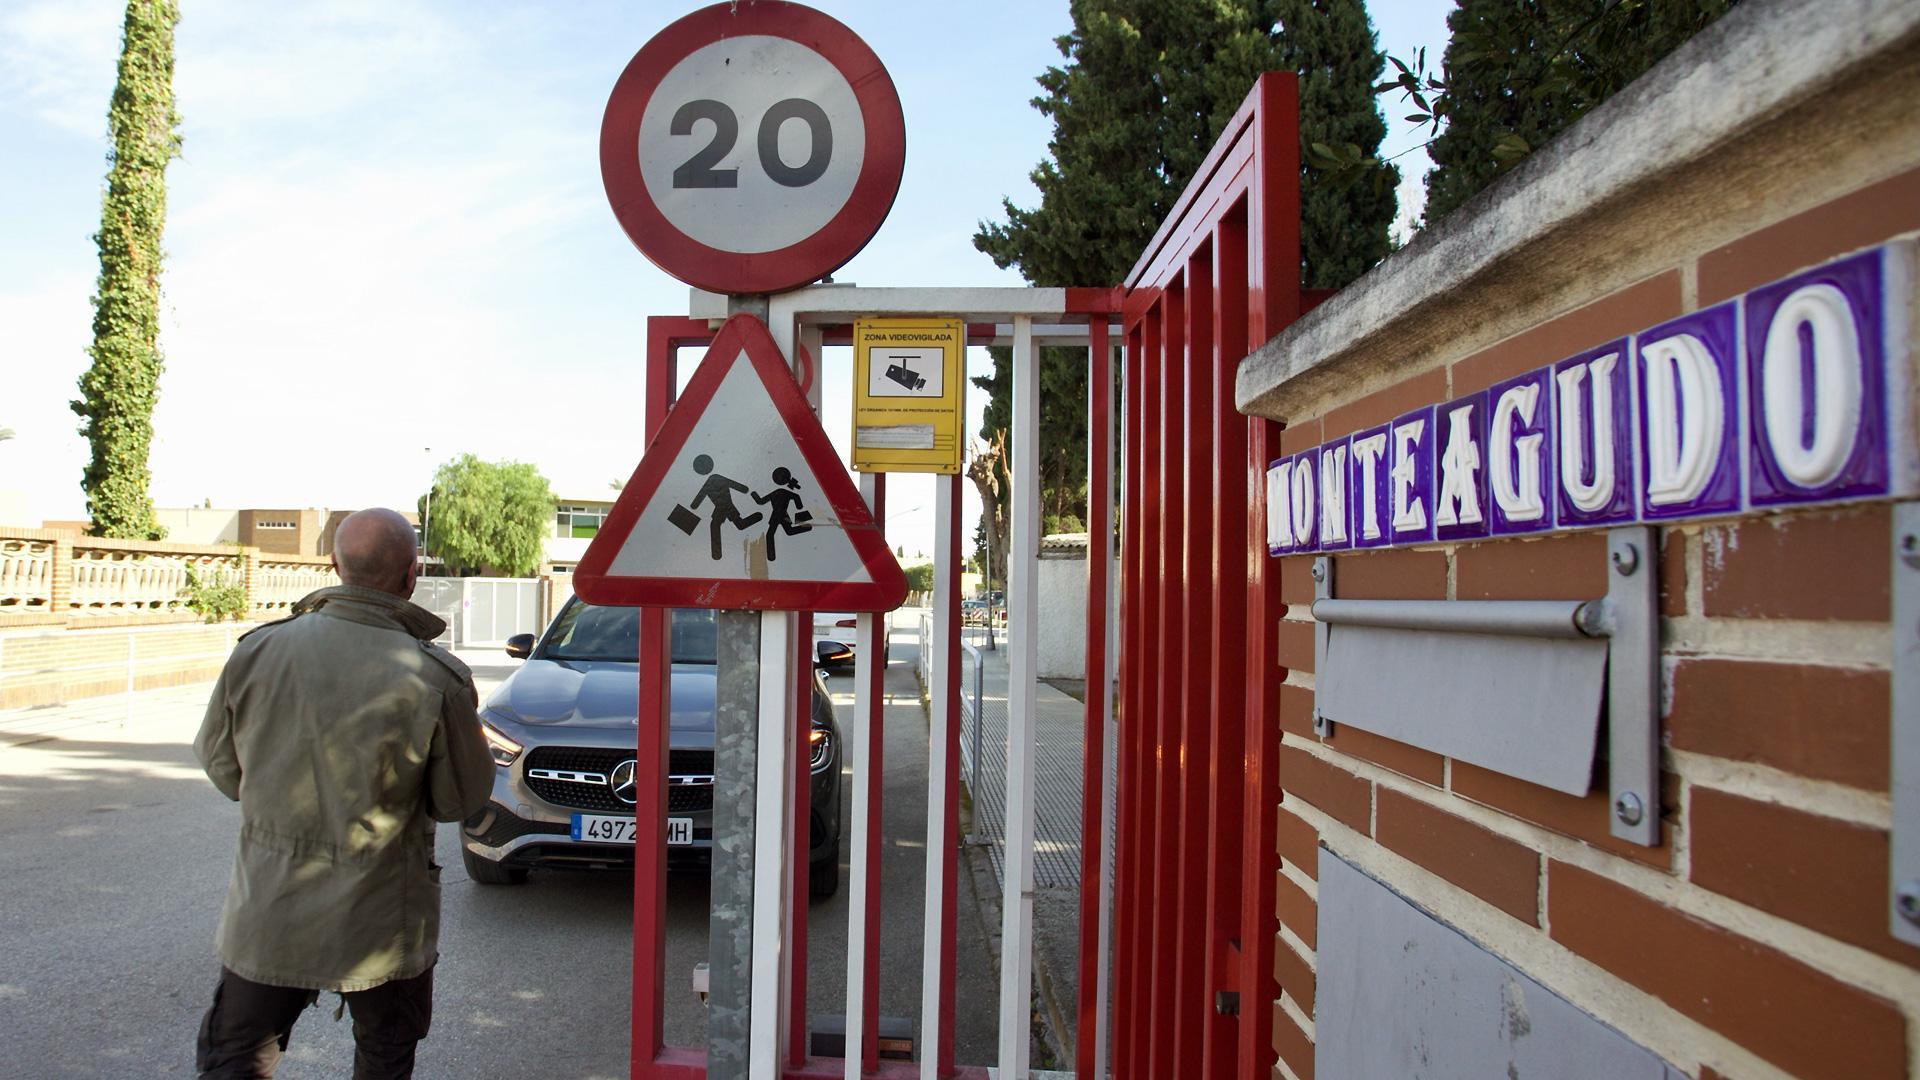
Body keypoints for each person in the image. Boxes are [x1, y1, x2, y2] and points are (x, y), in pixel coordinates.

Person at [192, 507, 493, 1079]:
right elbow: (458, 801)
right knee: (383, 1057)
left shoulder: (257, 651)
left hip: (269, 912)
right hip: (382, 925)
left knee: (236, 1059)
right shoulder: (436, 677)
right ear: (411, 576)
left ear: (334, 565)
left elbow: (223, 769)